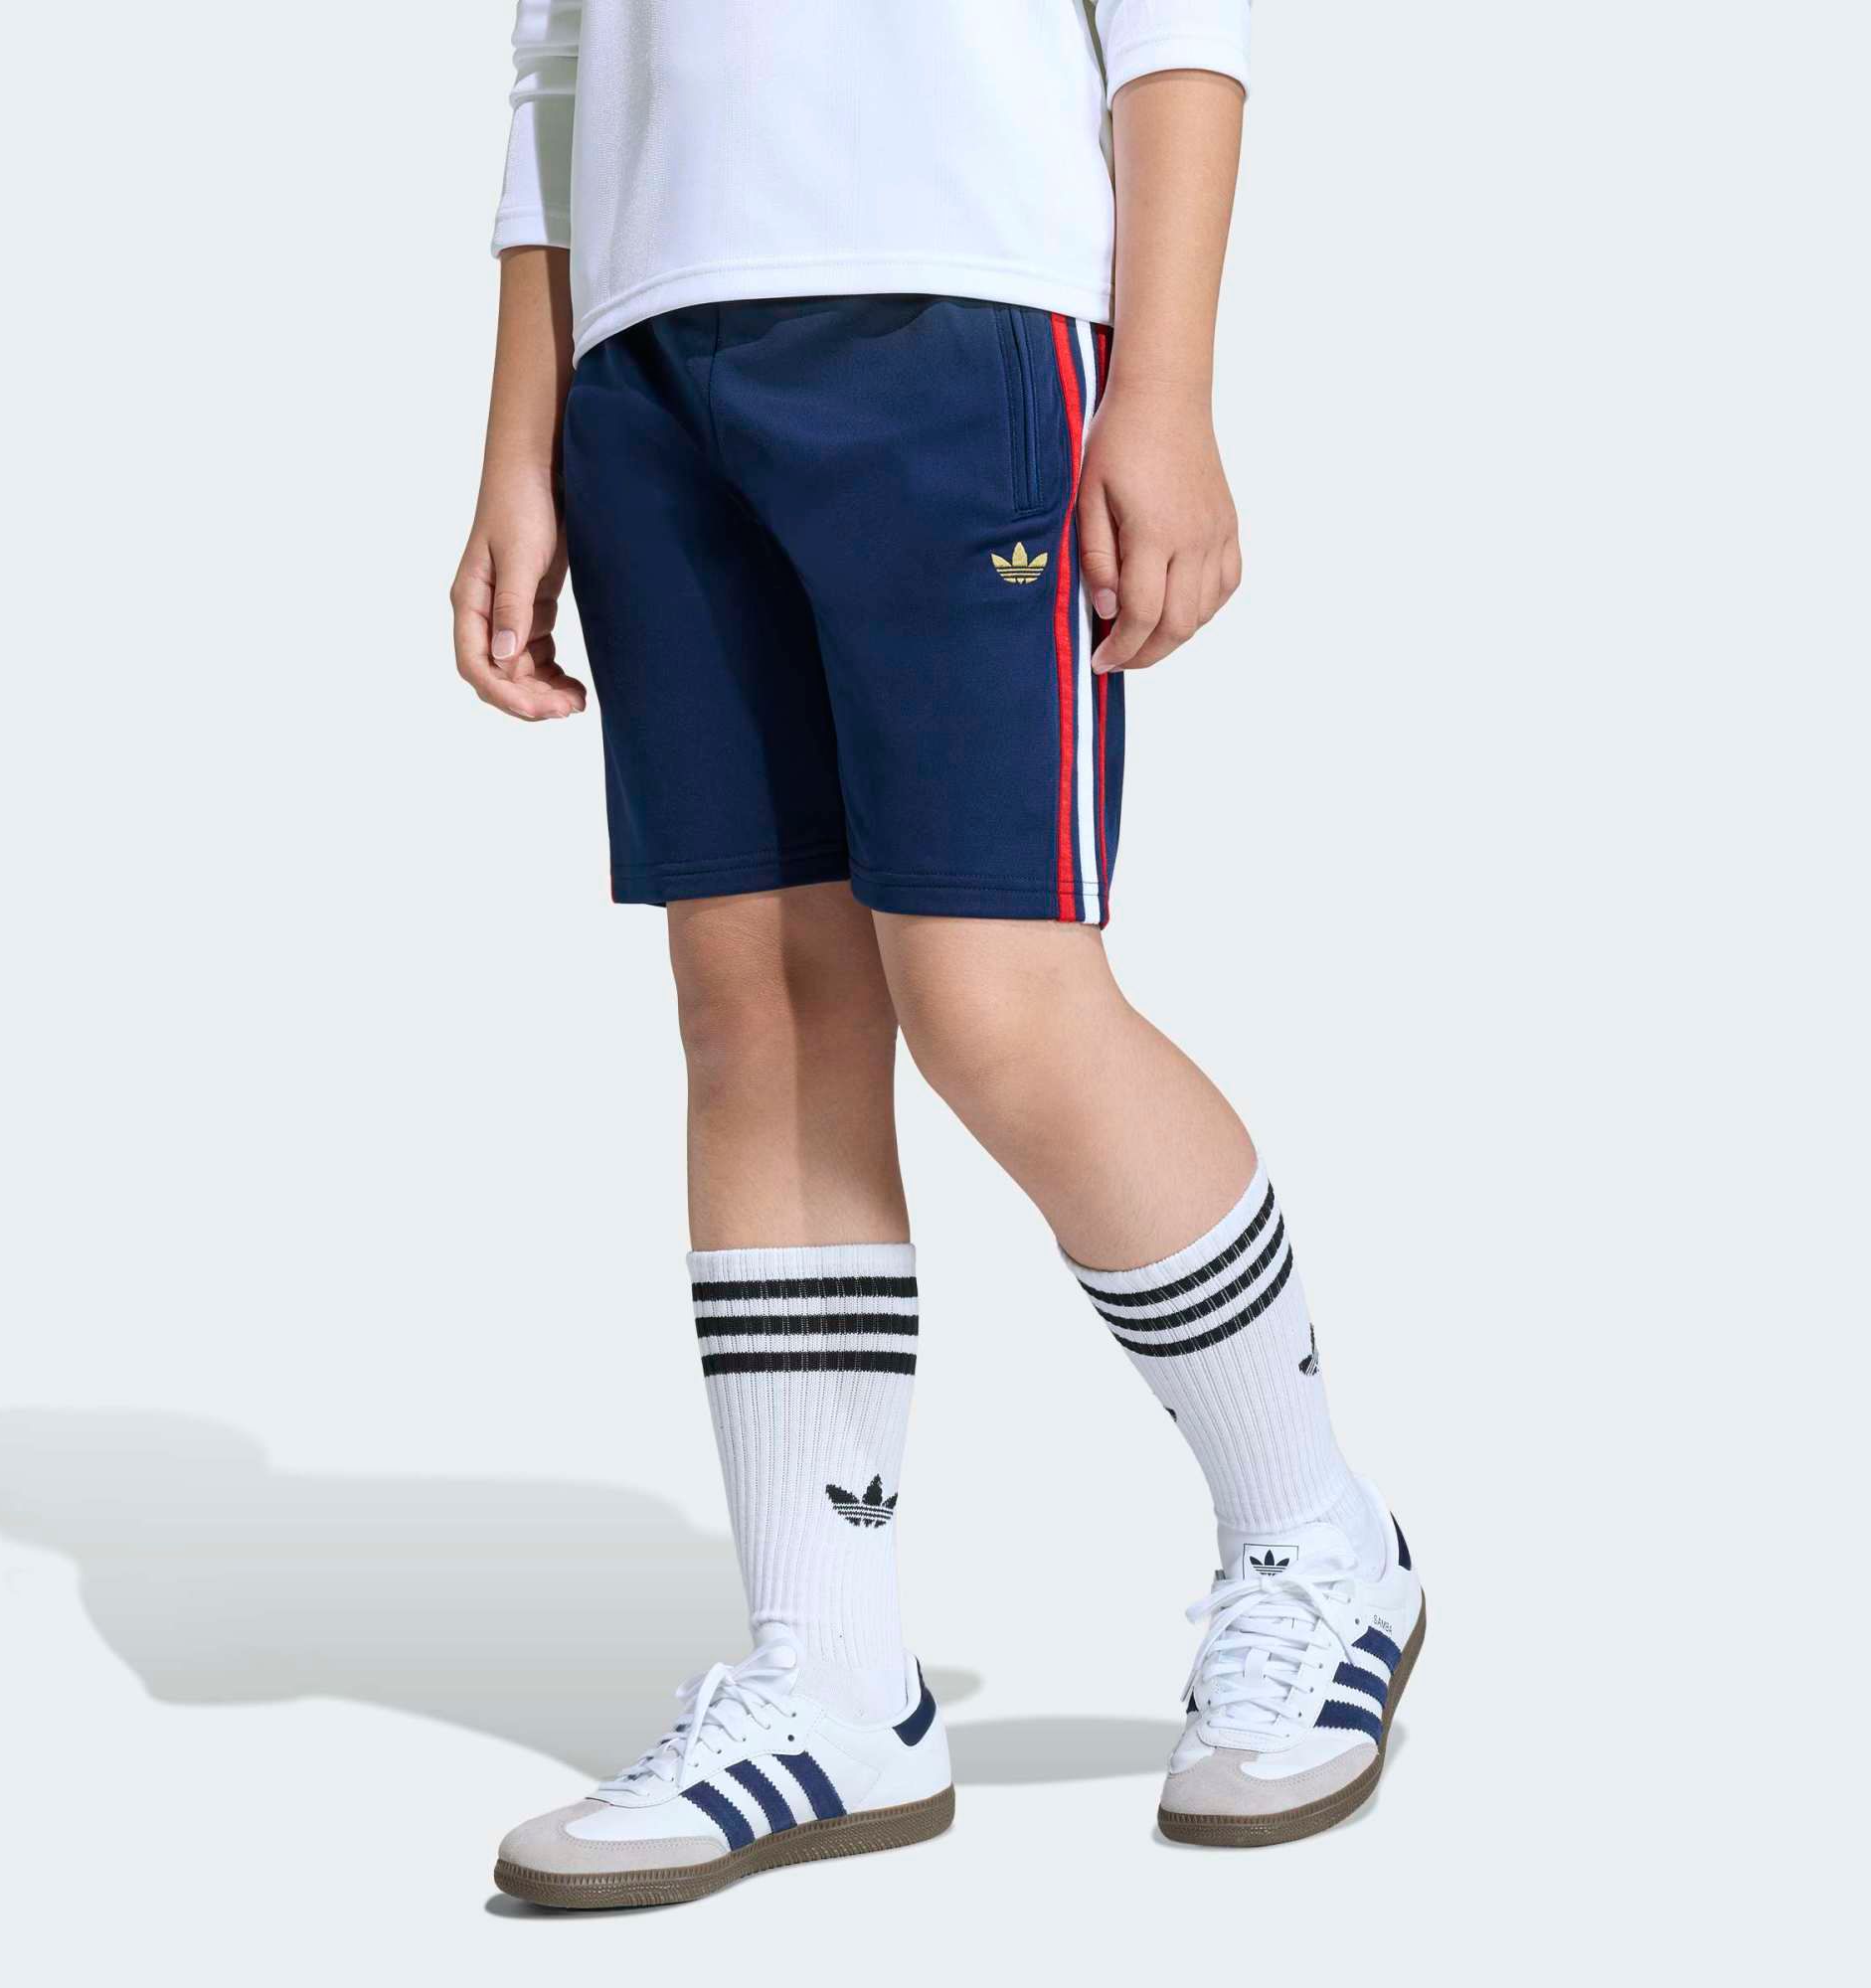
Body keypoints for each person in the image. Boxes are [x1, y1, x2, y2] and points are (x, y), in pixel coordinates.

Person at [455, 2, 1423, 1908]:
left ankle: (1318, 1534)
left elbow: (1177, 29)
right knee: (754, 1011)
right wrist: (523, 439)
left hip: (963, 310)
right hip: (647, 362)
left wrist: (1167, 390)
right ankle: (829, 1678)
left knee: (995, 995)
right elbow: (555, 68)